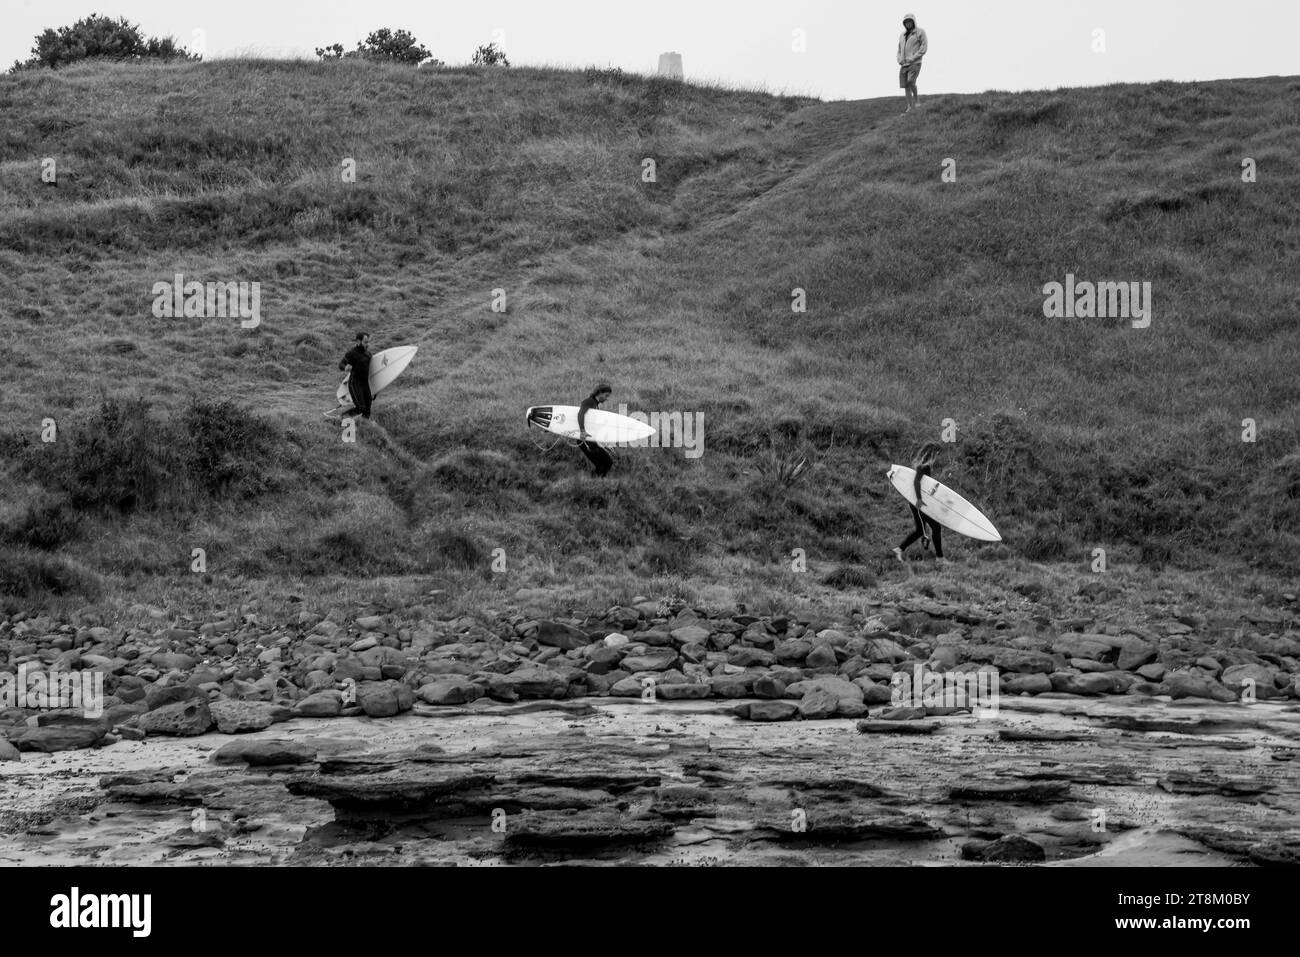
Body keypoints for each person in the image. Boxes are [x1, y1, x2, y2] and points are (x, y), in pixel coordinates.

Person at [894, 441, 946, 563]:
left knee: (920, 531)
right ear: (932, 454)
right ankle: (940, 558)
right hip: (918, 503)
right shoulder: (924, 466)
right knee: (935, 527)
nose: (937, 457)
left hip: (916, 502)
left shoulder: (923, 465)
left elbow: (923, 484)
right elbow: (916, 482)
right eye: (936, 454)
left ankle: (899, 549)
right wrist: (919, 499)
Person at [577, 383, 614, 477]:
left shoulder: (595, 405)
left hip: (591, 439)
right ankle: (597, 482)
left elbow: (594, 427)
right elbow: (580, 414)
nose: (606, 398)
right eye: (606, 395)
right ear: (600, 393)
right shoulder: (589, 402)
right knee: (607, 462)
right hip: (585, 440)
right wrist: (582, 431)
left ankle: (595, 481)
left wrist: (605, 444)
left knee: (602, 464)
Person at [338, 332, 373, 420]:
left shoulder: (368, 354)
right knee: (360, 407)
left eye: (368, 342)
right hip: (355, 383)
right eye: (365, 342)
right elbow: (341, 364)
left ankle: (365, 424)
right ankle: (341, 418)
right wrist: (345, 367)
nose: (367, 344)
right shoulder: (352, 353)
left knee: (367, 408)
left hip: (365, 384)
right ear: (358, 341)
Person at [897, 13, 927, 114]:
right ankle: (909, 107)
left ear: (913, 22)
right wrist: (899, 59)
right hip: (904, 64)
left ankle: (917, 100)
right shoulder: (902, 35)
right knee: (906, 86)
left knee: (911, 81)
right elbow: (899, 50)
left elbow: (924, 46)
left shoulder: (920, 32)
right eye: (906, 22)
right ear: (904, 23)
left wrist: (914, 57)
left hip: (915, 62)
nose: (908, 23)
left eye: (910, 21)